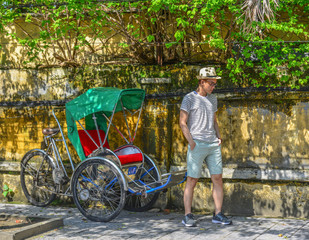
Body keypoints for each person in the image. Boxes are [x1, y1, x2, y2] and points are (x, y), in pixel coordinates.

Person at [179, 67, 232, 227]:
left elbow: (214, 120)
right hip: (197, 144)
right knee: (192, 180)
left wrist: (219, 136)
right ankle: (187, 215)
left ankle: (218, 214)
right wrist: (192, 142)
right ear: (202, 82)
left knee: (217, 178)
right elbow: (182, 122)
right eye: (211, 83)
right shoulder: (189, 98)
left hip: (212, 144)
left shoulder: (213, 99)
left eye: (215, 84)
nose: (213, 86)